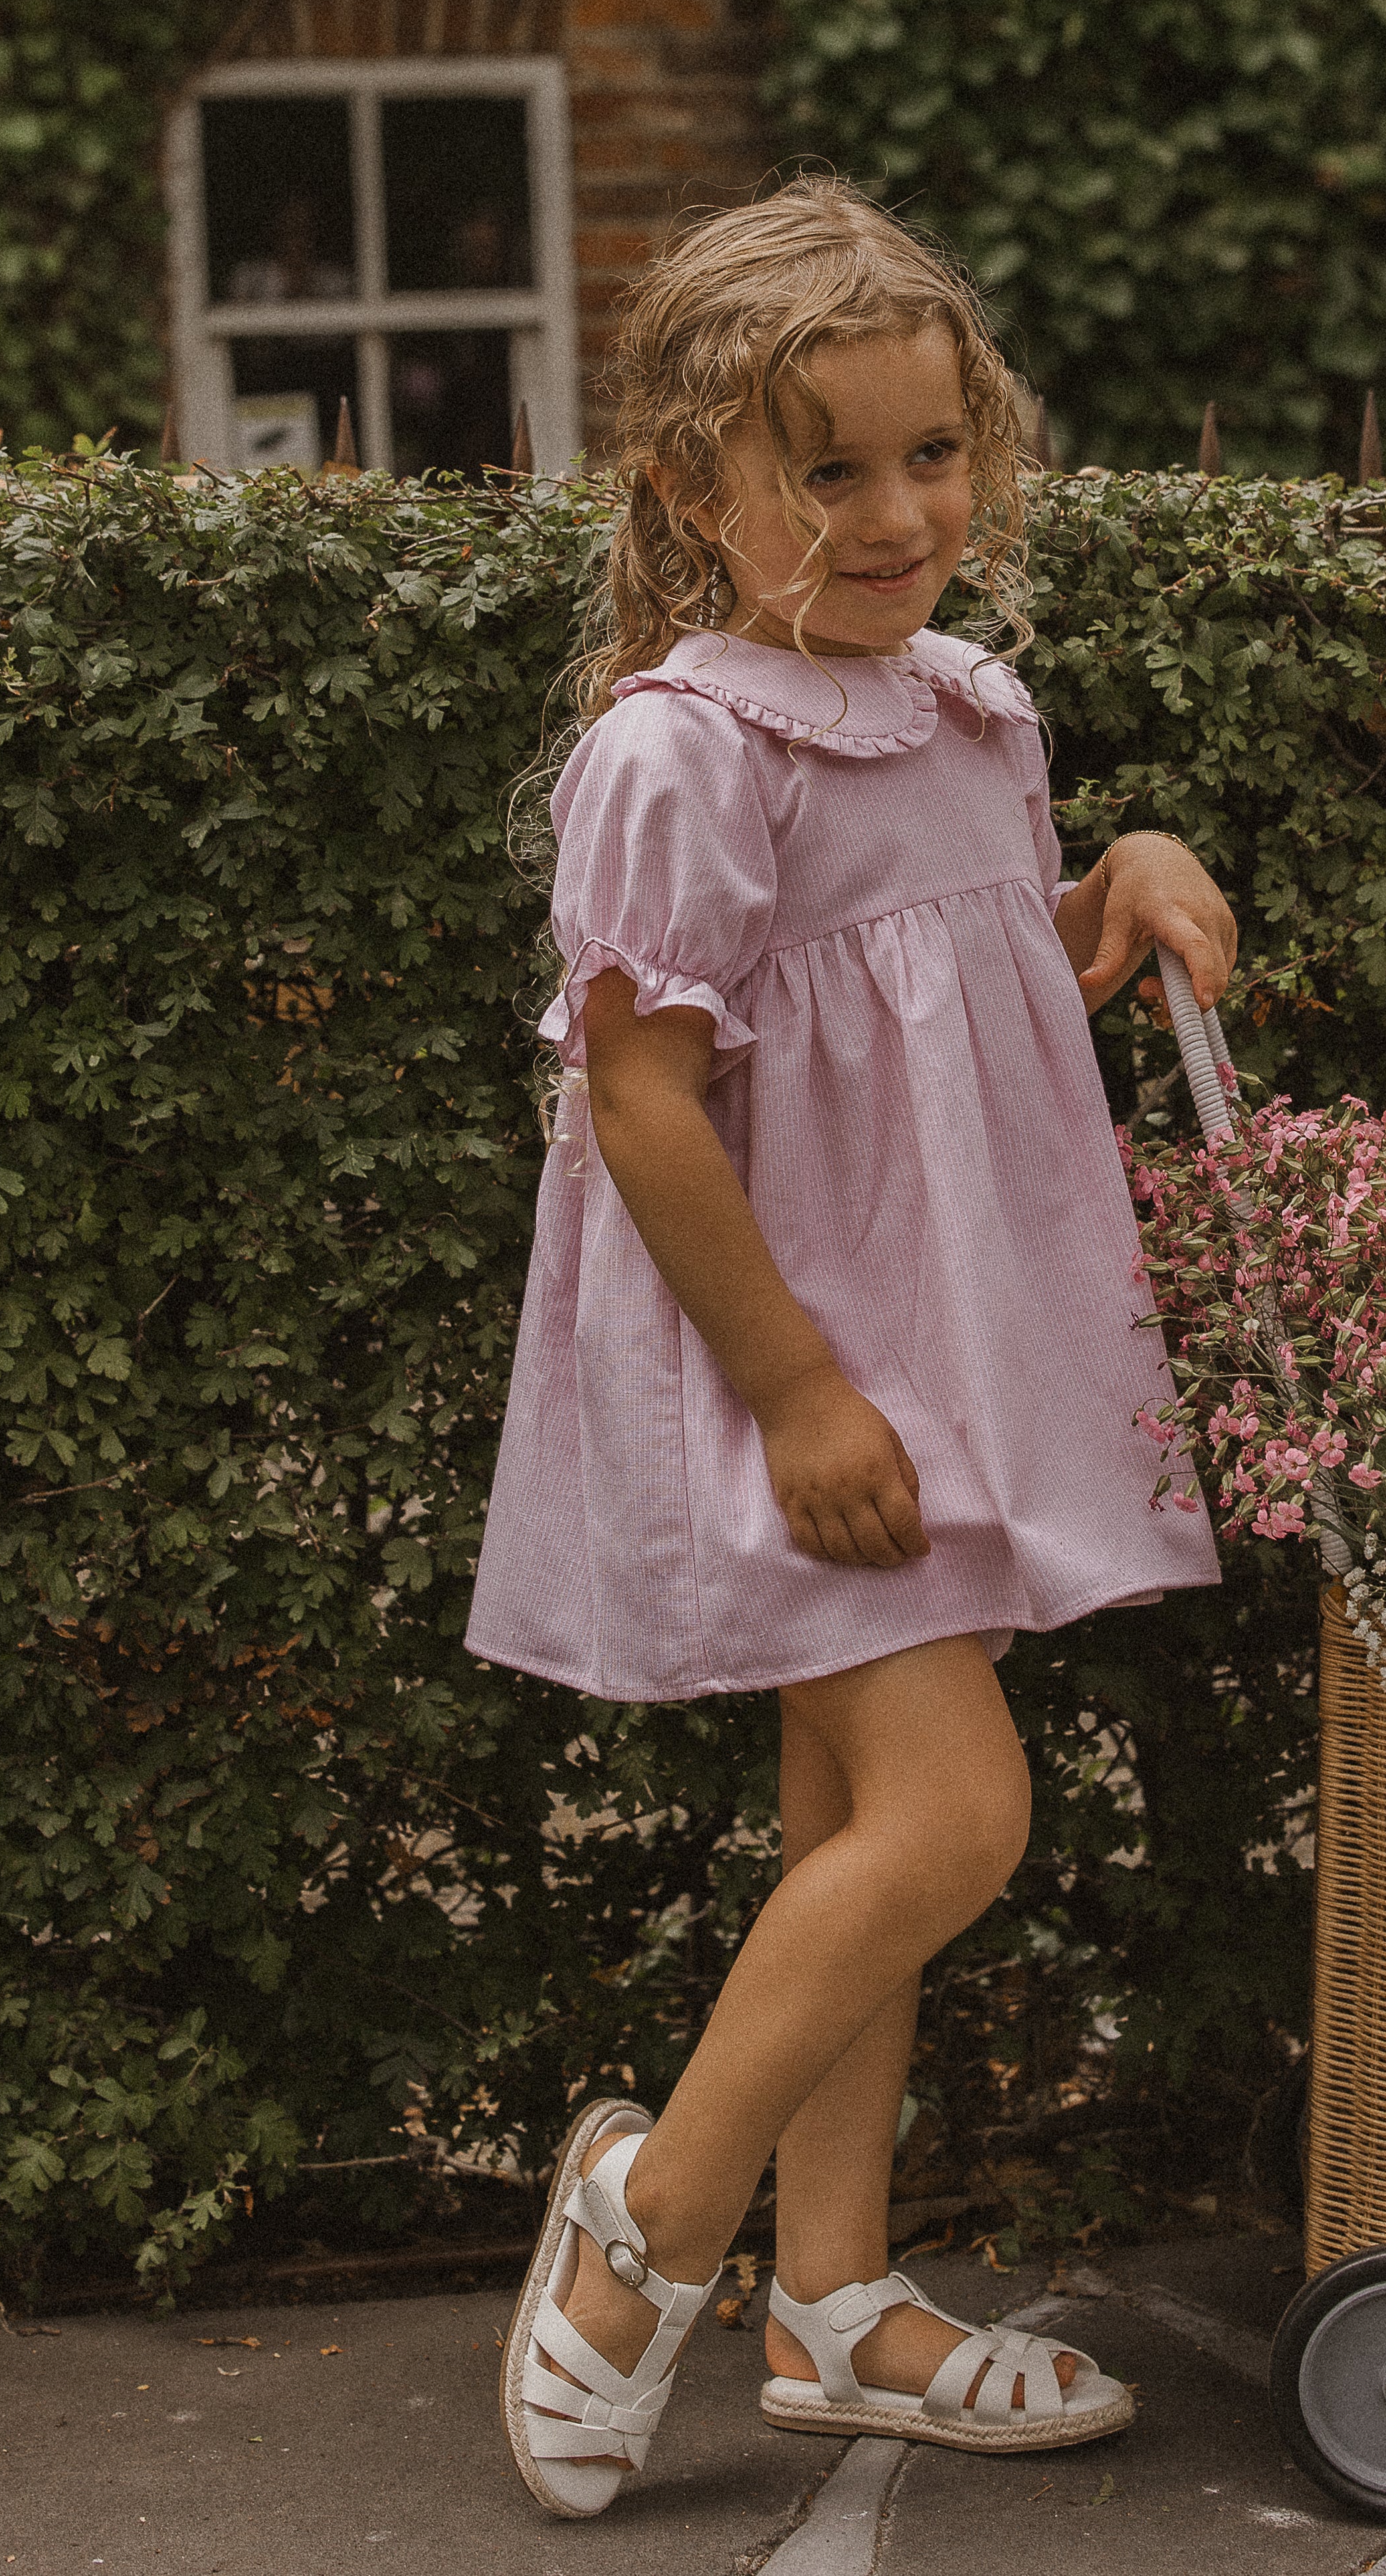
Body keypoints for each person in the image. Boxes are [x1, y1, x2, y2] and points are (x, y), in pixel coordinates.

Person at [466, 179, 1234, 2518]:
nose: (899, 514)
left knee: (848, 1827)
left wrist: (1131, 869)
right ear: (695, 486)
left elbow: (972, 987)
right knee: (950, 1811)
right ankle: (647, 2228)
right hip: (797, 1371)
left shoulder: (963, 705)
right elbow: (639, 1095)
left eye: (932, 455)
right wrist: (800, 1388)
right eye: (830, 470)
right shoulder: (683, 754)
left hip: (938, 1358)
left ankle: (836, 2303)